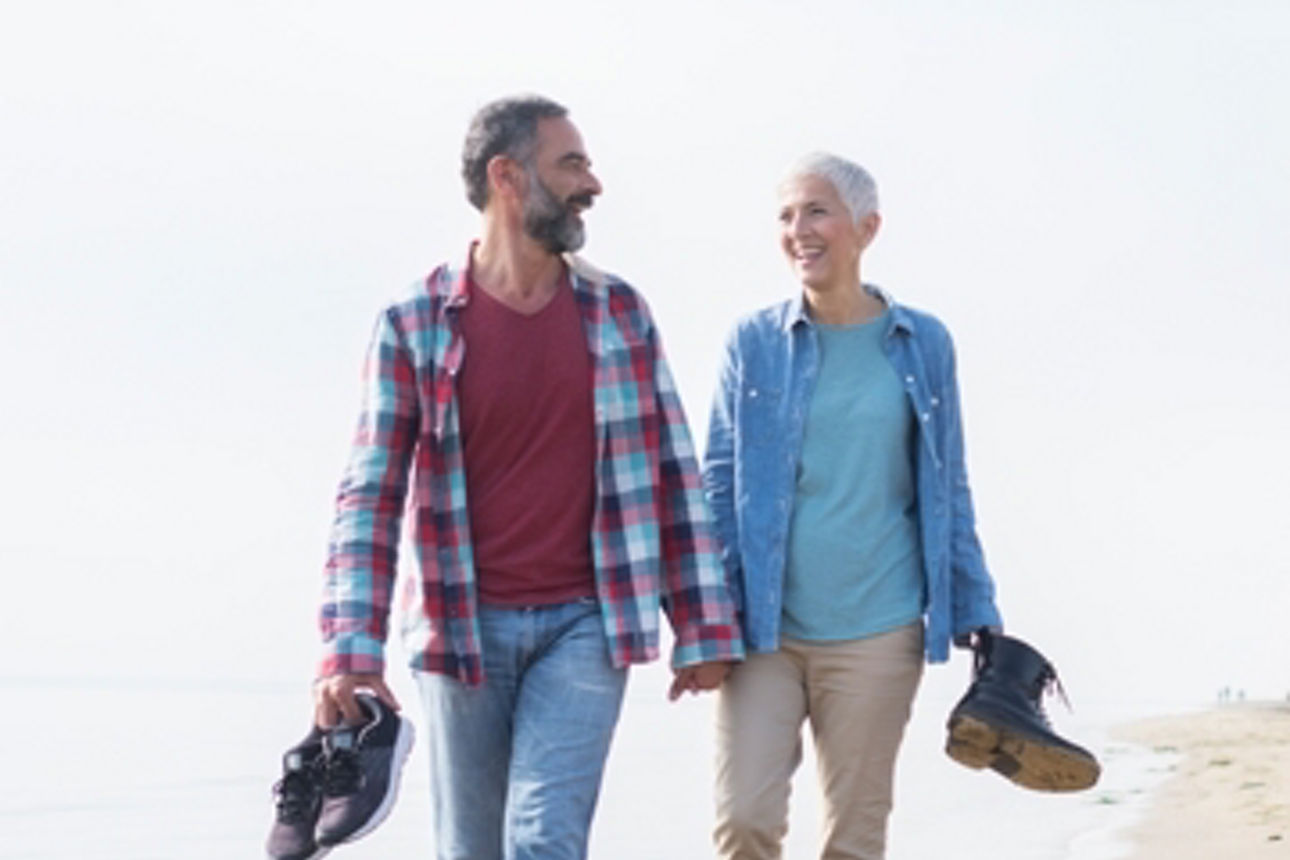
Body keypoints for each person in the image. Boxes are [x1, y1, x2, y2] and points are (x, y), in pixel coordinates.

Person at [312, 95, 743, 860]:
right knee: (470, 850)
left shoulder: (617, 312)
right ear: (507, 176)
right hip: (458, 624)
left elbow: (674, 473)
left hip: (587, 621)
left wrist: (701, 624)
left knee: (545, 839)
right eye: (570, 163)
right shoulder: (414, 323)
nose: (593, 184)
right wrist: (351, 648)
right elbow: (370, 496)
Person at [702, 152, 1003, 859]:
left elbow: (947, 482)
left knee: (854, 838)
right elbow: (717, 480)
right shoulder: (753, 343)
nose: (798, 230)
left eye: (816, 211)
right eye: (785, 215)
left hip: (879, 629)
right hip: (763, 631)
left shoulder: (923, 343)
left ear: (866, 228)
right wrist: (705, 616)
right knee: (744, 822)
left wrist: (976, 606)